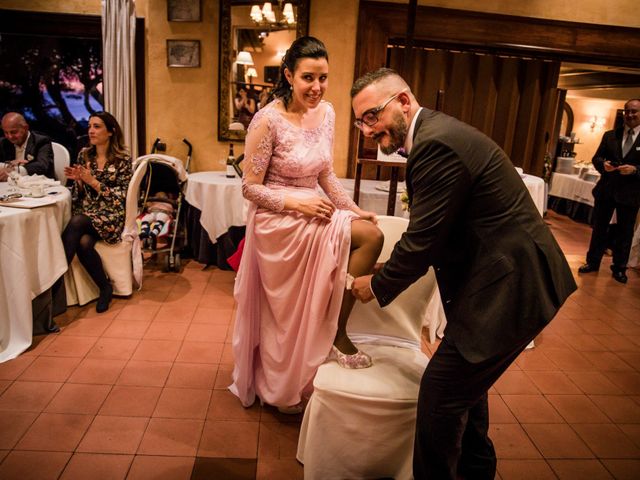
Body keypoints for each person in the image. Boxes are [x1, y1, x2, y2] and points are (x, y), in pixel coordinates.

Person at [350, 68, 577, 480]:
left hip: (512, 287)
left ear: (403, 101)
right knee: (465, 396)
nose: (366, 130)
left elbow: (423, 241)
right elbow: (441, 239)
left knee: (440, 396)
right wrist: (388, 270)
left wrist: (376, 285)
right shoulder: (436, 135)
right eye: (360, 122)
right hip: (498, 282)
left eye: (372, 116)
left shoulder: (436, 144)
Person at [230, 36, 383, 414]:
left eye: (323, 78)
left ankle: (337, 330)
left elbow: (326, 173)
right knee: (285, 315)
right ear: (288, 75)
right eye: (308, 78)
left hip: (315, 209)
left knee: (370, 234)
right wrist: (295, 202)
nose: (316, 88)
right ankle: (282, 377)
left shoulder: (328, 113)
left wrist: (353, 208)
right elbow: (250, 188)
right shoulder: (267, 120)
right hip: (277, 221)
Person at [62, 112, 132, 313]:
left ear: (111, 132)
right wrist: (79, 182)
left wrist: (93, 181)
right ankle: (105, 288)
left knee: (76, 223)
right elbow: (79, 196)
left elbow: (121, 197)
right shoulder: (84, 155)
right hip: (90, 214)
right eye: (90, 126)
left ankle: (55, 280)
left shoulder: (122, 160)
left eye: (97, 126)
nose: (91, 131)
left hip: (112, 215)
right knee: (83, 242)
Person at [578, 98, 640, 284]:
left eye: (634, 112)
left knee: (625, 232)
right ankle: (592, 262)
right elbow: (596, 158)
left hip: (630, 194)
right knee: (599, 229)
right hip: (606, 190)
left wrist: (636, 170)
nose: (629, 115)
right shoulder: (610, 135)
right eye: (627, 111)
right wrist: (602, 165)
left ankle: (619, 268)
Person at [0, 112, 55, 181]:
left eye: (13, 132)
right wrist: (9, 164)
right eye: (6, 132)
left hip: (40, 186)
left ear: (25, 128)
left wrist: (15, 170)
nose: (10, 136)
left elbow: (42, 166)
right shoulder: (3, 142)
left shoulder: (42, 141)